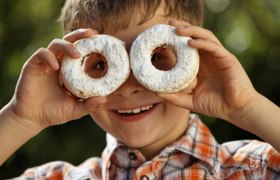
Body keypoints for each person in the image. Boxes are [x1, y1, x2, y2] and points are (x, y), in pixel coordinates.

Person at [1, 0, 280, 179]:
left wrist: (247, 108)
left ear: (197, 60)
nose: (127, 88)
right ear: (71, 79)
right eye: (101, 65)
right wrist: (21, 118)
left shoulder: (253, 168)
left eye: (156, 58)